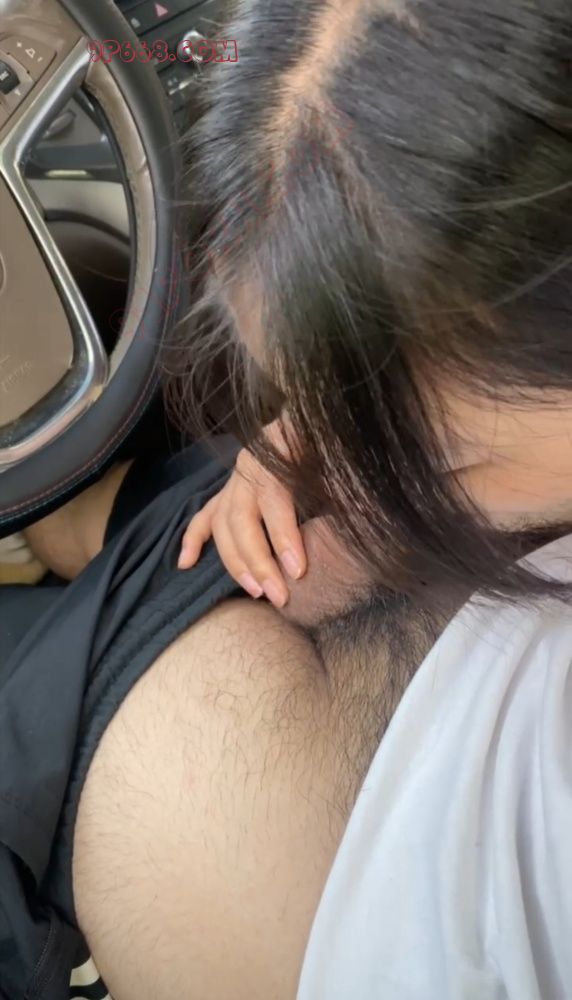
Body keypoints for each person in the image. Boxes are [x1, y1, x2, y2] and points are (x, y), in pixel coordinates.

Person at [1, 1, 572, 998]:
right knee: (79, 521)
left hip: (72, 726)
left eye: (429, 454)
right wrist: (293, 434)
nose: (349, 479)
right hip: (178, 565)